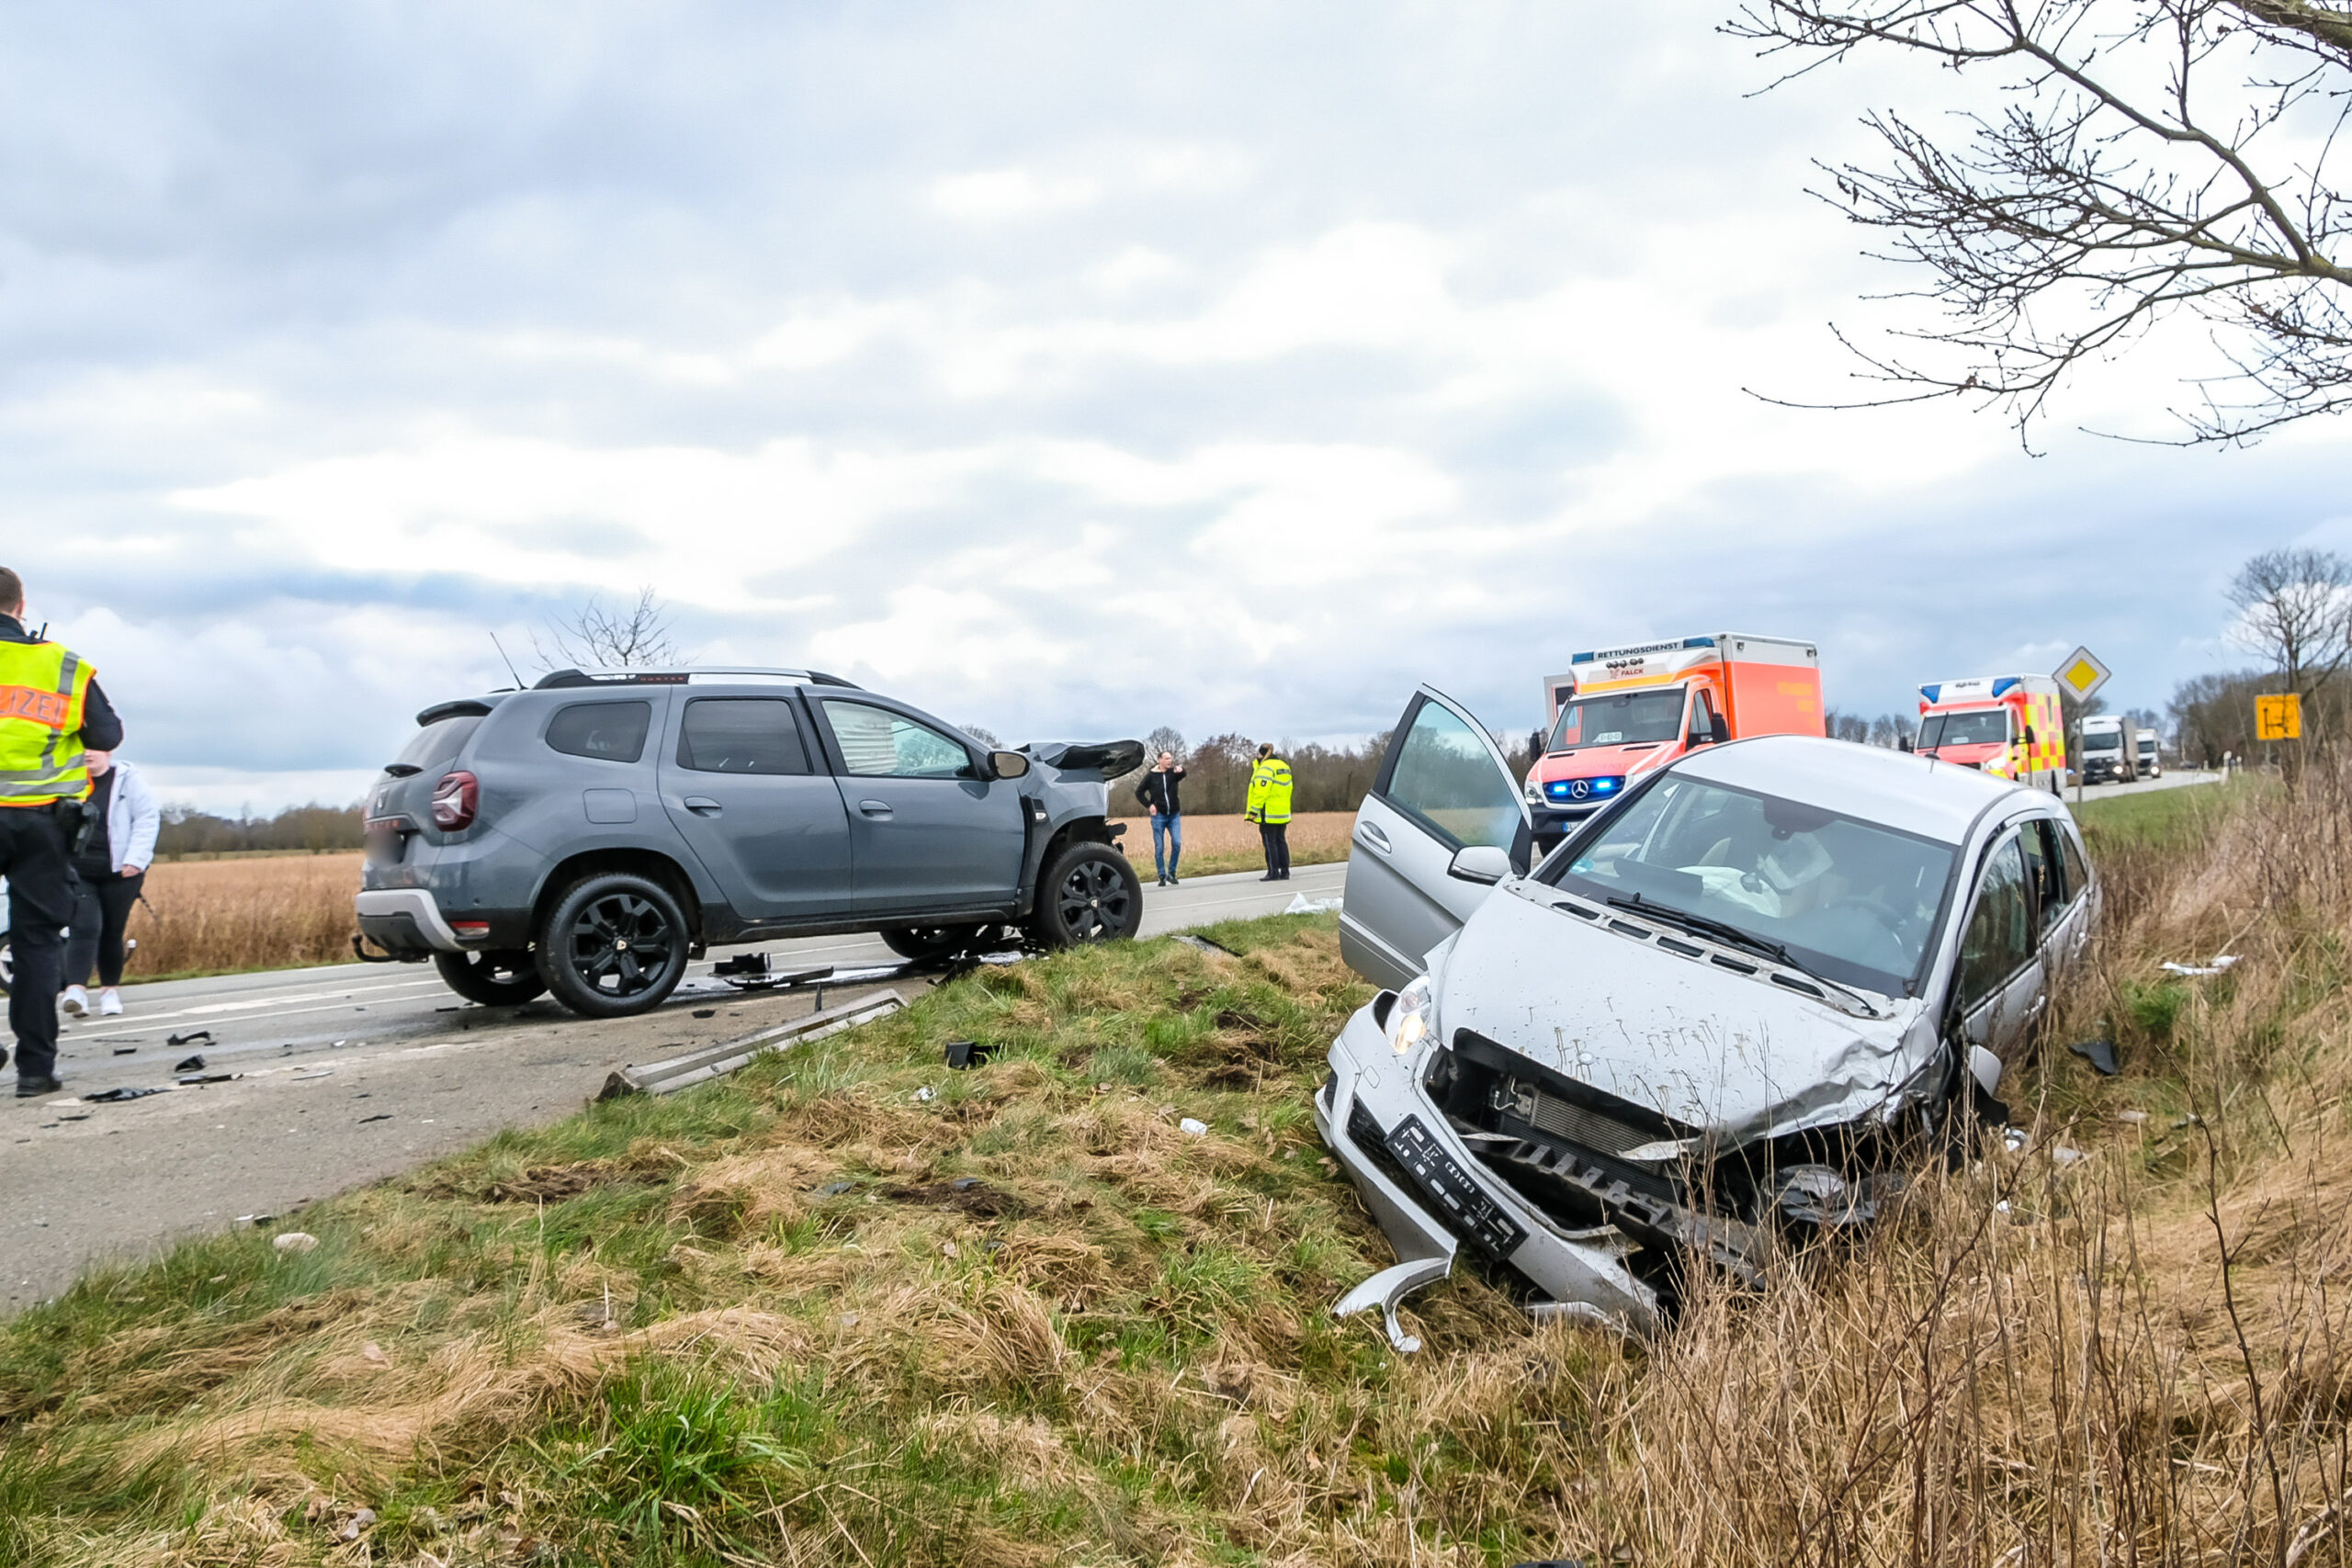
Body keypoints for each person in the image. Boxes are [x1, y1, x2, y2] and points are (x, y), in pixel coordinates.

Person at [0, 567, 124, 1098]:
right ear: (21, 605)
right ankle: (35, 1071)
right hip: (42, 824)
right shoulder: (62, 666)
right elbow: (107, 734)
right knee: (36, 944)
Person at [61, 749, 157, 1019]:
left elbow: (147, 819)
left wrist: (136, 859)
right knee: (85, 927)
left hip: (121, 872)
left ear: (108, 752)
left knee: (112, 932)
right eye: (82, 749)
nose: (87, 754)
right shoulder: (69, 779)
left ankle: (109, 991)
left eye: (93, 749)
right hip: (79, 871)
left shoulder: (128, 780)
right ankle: (76, 991)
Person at [1135, 750, 1186, 886]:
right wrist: (1149, 805)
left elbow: (1183, 774)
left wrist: (1181, 770)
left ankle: (1172, 873)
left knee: (1177, 843)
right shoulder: (1151, 776)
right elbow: (1139, 792)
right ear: (1160, 760)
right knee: (1159, 847)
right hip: (1159, 816)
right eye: (1167, 759)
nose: (1169, 761)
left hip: (1174, 814)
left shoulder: (1172, 773)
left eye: (1171, 758)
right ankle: (1162, 875)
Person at [1245, 741, 1294, 882]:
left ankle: (1273, 872)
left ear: (1261, 754)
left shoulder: (1265, 768)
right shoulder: (1284, 766)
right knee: (1281, 841)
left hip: (1269, 812)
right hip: (1283, 812)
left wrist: (1253, 811)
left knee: (1269, 843)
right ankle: (1285, 872)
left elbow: (1261, 792)